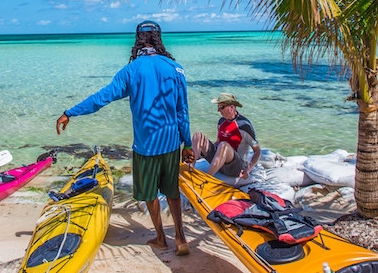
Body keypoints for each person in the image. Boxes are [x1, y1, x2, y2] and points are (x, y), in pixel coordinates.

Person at [56, 20, 192, 256]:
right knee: (172, 192)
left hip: (146, 147)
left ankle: (161, 238)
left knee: (150, 195)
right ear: (158, 40)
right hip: (171, 143)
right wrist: (187, 143)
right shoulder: (175, 68)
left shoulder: (131, 71)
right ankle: (181, 238)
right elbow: (183, 111)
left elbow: (102, 98)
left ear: (138, 42)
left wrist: (70, 112)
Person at [187, 92, 261, 181]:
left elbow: (257, 151)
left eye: (221, 107)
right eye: (218, 107)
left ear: (232, 107)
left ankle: (207, 179)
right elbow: (217, 142)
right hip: (220, 163)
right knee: (198, 135)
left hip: (236, 167)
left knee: (223, 145)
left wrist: (248, 169)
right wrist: (201, 151)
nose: (218, 110)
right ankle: (190, 168)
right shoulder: (221, 122)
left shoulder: (244, 125)